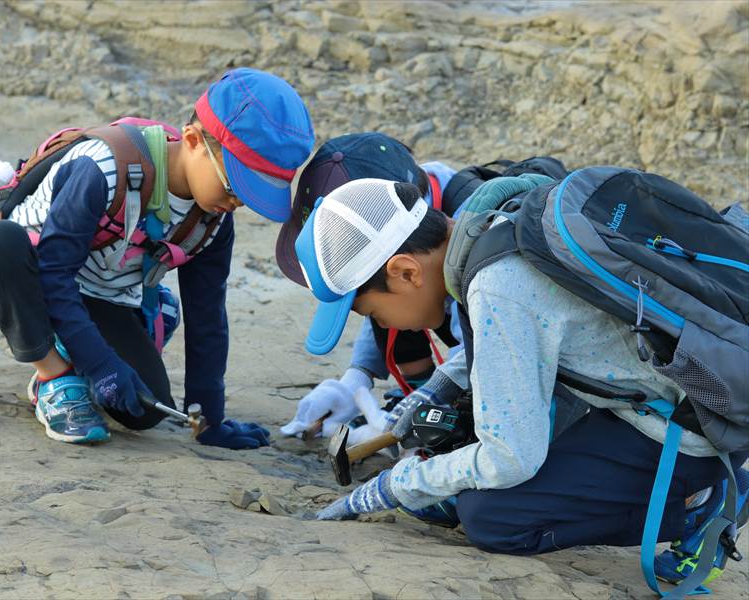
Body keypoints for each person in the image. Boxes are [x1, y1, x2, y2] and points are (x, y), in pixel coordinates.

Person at [293, 176, 749, 591]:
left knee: (492, 517)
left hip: (698, 424)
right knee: (475, 473)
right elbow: (527, 322)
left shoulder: (494, 287)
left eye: (374, 314)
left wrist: (397, 485)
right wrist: (439, 387)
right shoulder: (496, 219)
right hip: (696, 384)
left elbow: (510, 457)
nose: (389, 325)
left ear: (406, 271)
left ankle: (700, 501)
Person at [0, 67, 314, 447]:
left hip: (101, 293)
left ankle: (71, 352)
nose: (236, 204)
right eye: (235, 186)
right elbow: (53, 274)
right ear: (194, 139)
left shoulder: (214, 220)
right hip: (31, 276)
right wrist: (100, 364)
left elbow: (208, 316)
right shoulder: (102, 168)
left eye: (251, 197)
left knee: (146, 409)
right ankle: (53, 375)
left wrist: (209, 418)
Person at [275, 132, 465, 442]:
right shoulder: (415, 208)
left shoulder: (478, 265)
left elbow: (477, 370)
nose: (377, 319)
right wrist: (356, 380)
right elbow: (379, 298)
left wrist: (401, 428)